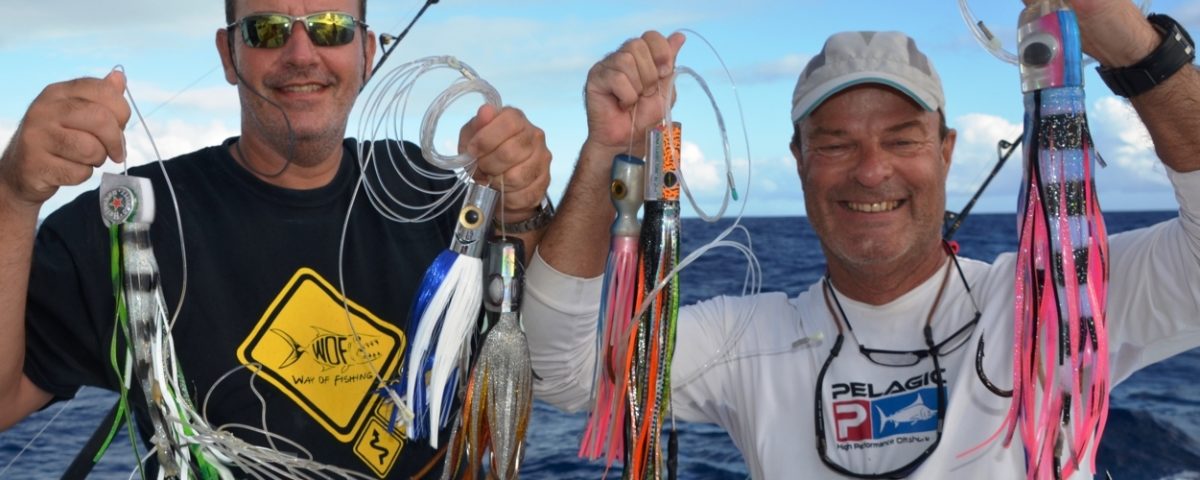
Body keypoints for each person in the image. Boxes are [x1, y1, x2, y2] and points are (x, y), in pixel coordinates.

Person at [523, 0, 1200, 477]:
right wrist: (607, 150)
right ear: (799, 160)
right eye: (837, 143)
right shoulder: (748, 339)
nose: (872, 169)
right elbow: (567, 373)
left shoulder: (1059, 300)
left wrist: (1141, 53)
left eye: (902, 138)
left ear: (945, 150)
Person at [0, 0, 551, 477]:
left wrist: (522, 210)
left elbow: (541, 352)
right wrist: (14, 195)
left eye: (331, 27)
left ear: (366, 52)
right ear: (228, 54)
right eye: (266, 29)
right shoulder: (126, 220)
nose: (302, 54)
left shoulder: (432, 192)